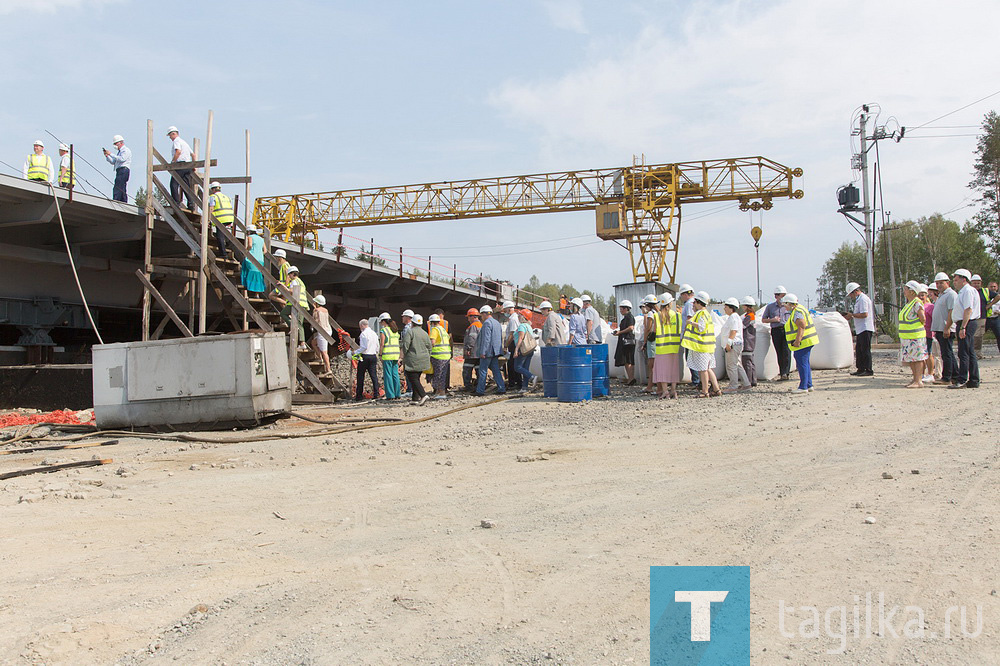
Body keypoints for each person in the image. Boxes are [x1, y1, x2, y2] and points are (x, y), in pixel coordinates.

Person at [681, 291, 721, 398]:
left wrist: (690, 323)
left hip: (701, 346)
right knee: (708, 368)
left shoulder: (701, 314)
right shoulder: (707, 314)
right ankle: (716, 389)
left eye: (694, 303)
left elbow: (701, 327)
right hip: (707, 346)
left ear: (698, 302)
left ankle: (705, 391)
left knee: (703, 370)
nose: (693, 305)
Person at [947, 268, 980, 389]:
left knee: (964, 352)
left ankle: (962, 379)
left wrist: (963, 327)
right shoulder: (963, 291)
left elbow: (968, 309)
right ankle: (973, 380)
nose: (954, 282)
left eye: (956, 280)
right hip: (964, 322)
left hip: (966, 323)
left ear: (964, 279)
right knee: (969, 351)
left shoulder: (967, 291)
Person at [782, 293, 818, 394]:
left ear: (790, 304)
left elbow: (801, 326)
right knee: (805, 363)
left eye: (785, 304)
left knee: (802, 364)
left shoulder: (797, 312)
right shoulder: (800, 308)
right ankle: (809, 385)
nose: (785, 307)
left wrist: (797, 341)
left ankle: (803, 387)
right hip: (808, 340)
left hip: (803, 342)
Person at [898, 281, 929, 388]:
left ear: (912, 291)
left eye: (906, 289)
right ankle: (915, 379)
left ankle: (918, 380)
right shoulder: (908, 304)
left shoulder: (917, 303)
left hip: (916, 337)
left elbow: (922, 318)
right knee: (911, 359)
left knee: (918, 359)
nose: (904, 291)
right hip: (907, 337)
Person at [652, 292, 681, 399]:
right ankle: (673, 390)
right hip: (674, 347)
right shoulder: (677, 315)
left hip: (662, 347)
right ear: (670, 303)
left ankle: (665, 391)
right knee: (673, 369)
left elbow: (654, 330)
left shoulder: (657, 315)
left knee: (662, 369)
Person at [931, 272, 958, 385]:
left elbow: (951, 312)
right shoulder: (941, 295)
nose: (939, 285)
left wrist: (947, 328)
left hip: (945, 329)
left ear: (947, 282)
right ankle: (955, 375)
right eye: (937, 283)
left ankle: (947, 377)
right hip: (939, 329)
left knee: (946, 354)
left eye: (941, 283)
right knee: (947, 353)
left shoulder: (951, 295)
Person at [720, 297, 752, 393]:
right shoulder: (735, 317)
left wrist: (729, 343)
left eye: (726, 307)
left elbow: (734, 330)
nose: (724, 309)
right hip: (737, 344)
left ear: (731, 308)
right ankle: (746, 384)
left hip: (733, 344)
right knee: (737, 365)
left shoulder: (733, 317)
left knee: (731, 366)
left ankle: (733, 386)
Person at [843, 282, 874, 377]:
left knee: (865, 350)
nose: (851, 296)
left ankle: (868, 369)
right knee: (859, 350)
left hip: (866, 328)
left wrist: (851, 315)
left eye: (851, 294)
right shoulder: (859, 300)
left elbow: (864, 314)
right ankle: (860, 368)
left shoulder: (863, 299)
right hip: (861, 329)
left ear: (855, 291)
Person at [474, 305, 506, 396]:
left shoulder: (487, 323)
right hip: (495, 351)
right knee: (496, 370)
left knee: (483, 370)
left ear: (484, 314)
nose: (481, 317)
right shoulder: (496, 323)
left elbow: (486, 339)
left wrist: (483, 352)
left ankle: (480, 391)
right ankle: (501, 388)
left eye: (481, 315)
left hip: (488, 352)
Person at [274, 265, 308, 349]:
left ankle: (294, 329)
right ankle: (302, 343)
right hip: (302, 304)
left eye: (289, 274)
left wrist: (282, 285)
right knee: (300, 323)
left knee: (284, 314)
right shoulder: (301, 281)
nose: (288, 276)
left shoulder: (294, 281)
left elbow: (291, 291)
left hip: (296, 304)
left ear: (292, 274)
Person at [401, 314, 432, 405]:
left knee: (412, 378)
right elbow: (429, 347)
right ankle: (415, 398)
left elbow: (405, 346)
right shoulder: (425, 333)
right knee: (416, 377)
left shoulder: (410, 332)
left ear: (412, 323)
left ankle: (423, 395)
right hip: (423, 360)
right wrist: (427, 356)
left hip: (412, 359)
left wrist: (402, 357)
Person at [166, 126, 195, 209]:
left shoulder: (176, 141)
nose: (170, 138)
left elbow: (178, 151)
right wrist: (193, 166)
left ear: (174, 134)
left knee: (174, 184)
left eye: (170, 136)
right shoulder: (184, 142)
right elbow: (193, 155)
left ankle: (176, 203)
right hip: (188, 166)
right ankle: (191, 204)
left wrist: (173, 162)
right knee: (186, 185)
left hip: (180, 165)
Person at [677, 284, 700, 387]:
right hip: (691, 335)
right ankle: (696, 380)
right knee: (691, 358)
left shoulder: (689, 304)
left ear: (686, 294)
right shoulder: (691, 303)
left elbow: (689, 319)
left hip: (689, 336)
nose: (681, 297)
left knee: (690, 358)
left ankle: (696, 380)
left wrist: (685, 335)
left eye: (681, 295)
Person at [354, 318, 380, 401]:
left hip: (365, 356)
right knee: (374, 376)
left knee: (360, 376)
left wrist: (355, 352)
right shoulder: (374, 334)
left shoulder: (363, 334)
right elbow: (377, 346)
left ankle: (359, 395)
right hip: (373, 356)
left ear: (362, 325)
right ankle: (376, 393)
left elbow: (364, 347)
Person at [511, 315, 538, 392]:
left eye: (520, 315)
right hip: (530, 350)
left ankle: (532, 377)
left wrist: (516, 350)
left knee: (517, 367)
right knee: (525, 368)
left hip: (522, 349)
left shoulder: (522, 326)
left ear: (523, 317)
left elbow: (520, 338)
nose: (519, 317)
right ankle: (524, 387)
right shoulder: (529, 326)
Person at [638, 294, 659, 394]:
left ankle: (650, 386)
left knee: (651, 365)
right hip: (658, 340)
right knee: (656, 365)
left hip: (652, 340)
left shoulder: (651, 314)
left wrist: (645, 342)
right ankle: (655, 386)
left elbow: (648, 329)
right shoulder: (658, 313)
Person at [428, 314, 452, 399]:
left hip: (438, 355)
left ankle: (441, 393)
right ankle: (440, 392)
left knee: (437, 375)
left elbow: (432, 342)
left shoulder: (434, 330)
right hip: (446, 355)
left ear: (431, 322)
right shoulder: (443, 330)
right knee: (442, 374)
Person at [208, 182, 235, 258]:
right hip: (229, 218)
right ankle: (229, 245)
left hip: (220, 218)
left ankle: (223, 253)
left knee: (219, 236)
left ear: (213, 189)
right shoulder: (226, 197)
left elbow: (211, 208)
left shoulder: (213, 197)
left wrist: (208, 219)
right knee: (224, 234)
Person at [378, 313, 402, 399]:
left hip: (387, 355)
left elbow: (382, 344)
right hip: (395, 355)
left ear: (384, 322)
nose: (381, 324)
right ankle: (397, 394)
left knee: (388, 375)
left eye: (381, 322)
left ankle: (390, 395)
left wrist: (380, 354)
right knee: (395, 374)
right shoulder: (395, 331)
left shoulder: (384, 331)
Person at [613, 300, 636, 385]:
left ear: (626, 308)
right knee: (628, 360)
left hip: (627, 341)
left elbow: (631, 327)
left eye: (621, 309)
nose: (620, 310)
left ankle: (631, 378)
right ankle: (630, 378)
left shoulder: (629, 317)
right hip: (626, 341)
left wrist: (620, 332)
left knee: (628, 360)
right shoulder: (626, 318)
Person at [102, 135, 131, 202]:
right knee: (122, 187)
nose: (115, 145)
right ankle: (123, 201)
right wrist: (107, 156)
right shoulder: (119, 152)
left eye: (115, 143)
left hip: (123, 170)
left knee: (118, 186)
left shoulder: (125, 150)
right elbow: (113, 162)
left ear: (120, 142)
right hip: (120, 170)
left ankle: (116, 200)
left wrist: (111, 154)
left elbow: (122, 159)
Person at [311, 295, 333, 377]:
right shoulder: (326, 310)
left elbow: (314, 320)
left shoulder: (316, 310)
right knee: (314, 343)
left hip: (322, 332)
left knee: (324, 352)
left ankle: (328, 369)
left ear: (317, 303)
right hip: (328, 330)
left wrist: (314, 309)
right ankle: (320, 358)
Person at [241, 227, 267, 295]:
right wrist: (260, 254)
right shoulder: (261, 239)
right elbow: (265, 251)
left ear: (249, 232)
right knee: (258, 275)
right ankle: (257, 294)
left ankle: (247, 289)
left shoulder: (250, 237)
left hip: (251, 258)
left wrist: (246, 251)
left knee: (246, 271)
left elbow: (249, 245)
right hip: (260, 260)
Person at [462, 308, 482, 391]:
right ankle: (479, 386)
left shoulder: (473, 326)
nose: (468, 319)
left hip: (472, 352)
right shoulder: (481, 325)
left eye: (468, 317)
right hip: (479, 352)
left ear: (472, 317)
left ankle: (468, 387)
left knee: (467, 369)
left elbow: (472, 338)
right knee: (478, 370)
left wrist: (468, 349)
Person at [920, 284, 936, 383]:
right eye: (919, 295)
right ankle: (921, 373)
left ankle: (930, 373)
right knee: (920, 355)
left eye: (922, 295)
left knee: (928, 354)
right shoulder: (916, 305)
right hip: (918, 334)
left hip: (927, 333)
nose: (921, 297)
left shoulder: (930, 307)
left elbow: (934, 320)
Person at [740, 296, 757, 387]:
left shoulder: (749, 316)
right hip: (751, 341)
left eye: (743, 306)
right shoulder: (752, 315)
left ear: (747, 306)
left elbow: (742, 326)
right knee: (750, 362)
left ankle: (748, 381)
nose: (743, 307)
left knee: (747, 362)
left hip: (747, 341)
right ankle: (753, 380)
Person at [985, 280, 1000, 354]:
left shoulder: (998, 297)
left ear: (997, 288)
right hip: (986, 319)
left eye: (994, 286)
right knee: (978, 336)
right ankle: (977, 353)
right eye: (991, 286)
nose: (993, 288)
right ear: (987, 287)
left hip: (996, 318)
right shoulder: (985, 296)